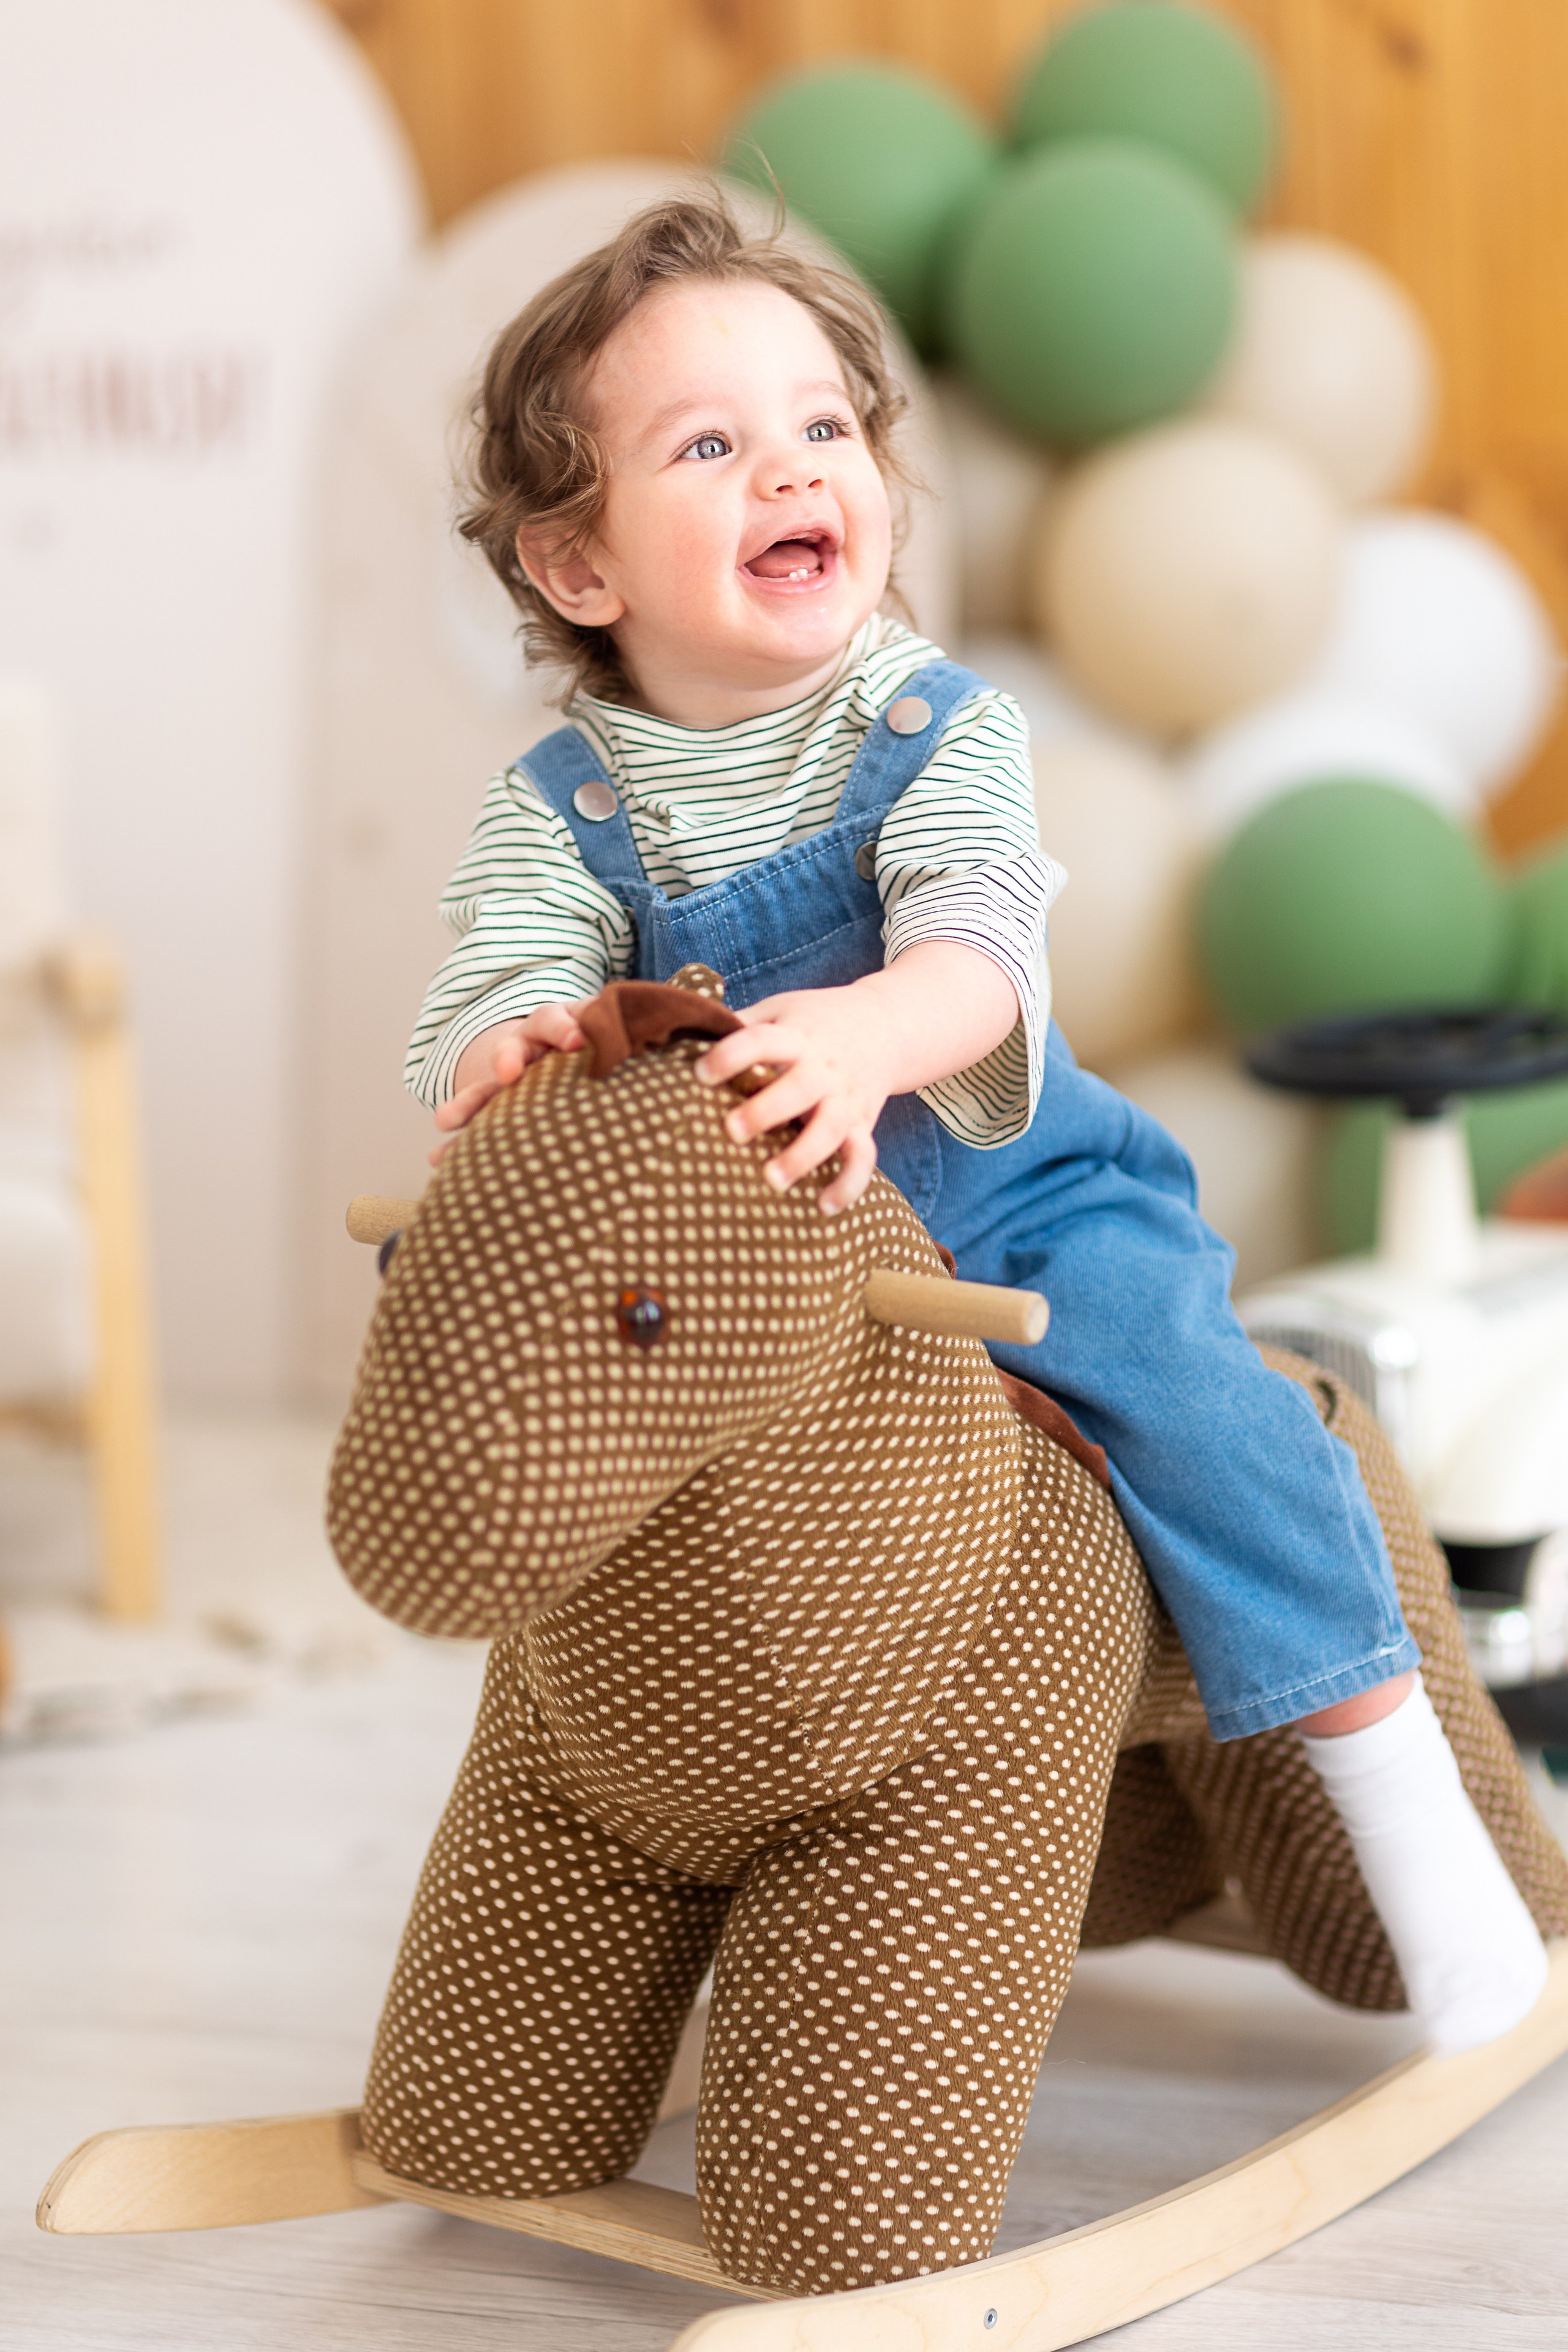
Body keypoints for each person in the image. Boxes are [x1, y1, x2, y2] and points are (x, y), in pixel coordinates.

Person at [404, 189, 1545, 2054]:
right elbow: (495, 984)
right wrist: (507, 1053)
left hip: (1012, 1207)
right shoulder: (563, 812)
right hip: (761, 1266)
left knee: (1214, 1416)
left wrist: (866, 1033)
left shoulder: (935, 727)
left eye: (826, 428)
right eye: (712, 444)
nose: (795, 466)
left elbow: (980, 952)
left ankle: (1399, 1793)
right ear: (579, 567)